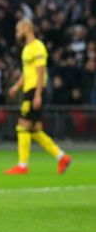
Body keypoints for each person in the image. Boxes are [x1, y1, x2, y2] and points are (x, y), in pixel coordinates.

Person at [5, 19, 71, 175]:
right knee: (34, 130)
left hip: (36, 89)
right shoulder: (27, 48)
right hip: (30, 89)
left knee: (22, 126)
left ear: (27, 28)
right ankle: (62, 157)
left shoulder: (38, 46)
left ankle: (22, 165)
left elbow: (41, 70)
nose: (17, 33)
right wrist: (16, 86)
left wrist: (38, 94)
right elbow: (27, 71)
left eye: (18, 30)